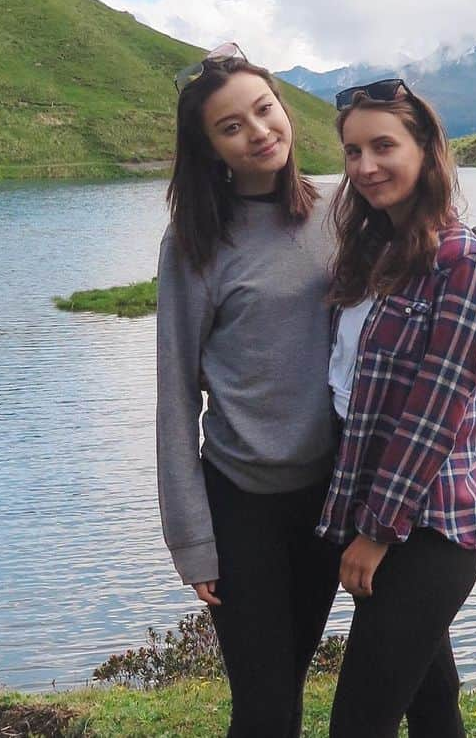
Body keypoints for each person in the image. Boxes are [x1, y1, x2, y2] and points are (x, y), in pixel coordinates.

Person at [155, 43, 342, 738]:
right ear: (209, 149)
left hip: (328, 497)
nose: (258, 131)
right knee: (264, 710)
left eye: (265, 109)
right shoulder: (193, 244)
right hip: (240, 503)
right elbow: (174, 397)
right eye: (231, 126)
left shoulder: (338, 213)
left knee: (288, 684)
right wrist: (192, 540)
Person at [316, 77, 476, 738]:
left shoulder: (461, 261)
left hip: (427, 531)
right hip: (381, 517)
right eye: (353, 151)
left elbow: (434, 414)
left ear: (426, 149)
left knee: (358, 724)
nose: (365, 167)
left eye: (383, 146)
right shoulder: (370, 253)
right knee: (432, 706)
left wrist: (374, 534)